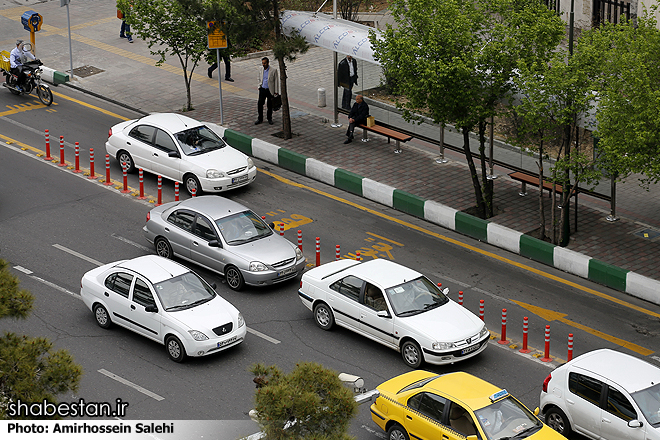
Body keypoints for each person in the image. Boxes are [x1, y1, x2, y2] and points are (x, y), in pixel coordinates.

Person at [256, 57, 279, 125]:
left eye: (265, 63)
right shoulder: (260, 69)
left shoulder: (273, 70)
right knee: (260, 104)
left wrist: (276, 91)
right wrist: (259, 86)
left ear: (268, 63)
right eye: (262, 63)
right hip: (262, 89)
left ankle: (269, 118)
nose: (263, 64)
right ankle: (260, 118)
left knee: (270, 105)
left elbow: (276, 81)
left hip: (270, 90)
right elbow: (259, 77)